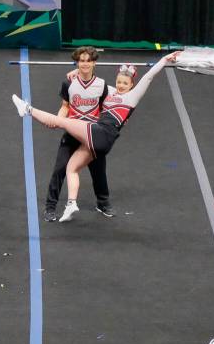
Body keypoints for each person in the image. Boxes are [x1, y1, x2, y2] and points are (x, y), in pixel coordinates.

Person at [11, 53, 181, 213]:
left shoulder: (133, 97)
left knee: (62, 121)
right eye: (119, 82)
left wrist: (164, 59)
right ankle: (71, 204)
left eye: (125, 83)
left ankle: (27, 109)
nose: (121, 86)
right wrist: (79, 70)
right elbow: (90, 80)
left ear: (132, 85)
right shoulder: (110, 91)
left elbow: (149, 76)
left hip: (102, 133)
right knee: (71, 167)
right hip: (98, 136)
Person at [44, 46, 113, 222]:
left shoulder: (102, 84)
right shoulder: (68, 83)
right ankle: (50, 208)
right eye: (81, 61)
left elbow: (105, 109)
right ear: (77, 62)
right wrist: (58, 119)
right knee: (59, 169)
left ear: (94, 63)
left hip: (92, 135)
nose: (84, 64)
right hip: (73, 132)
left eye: (88, 61)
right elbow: (65, 106)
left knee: (99, 170)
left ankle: (103, 203)